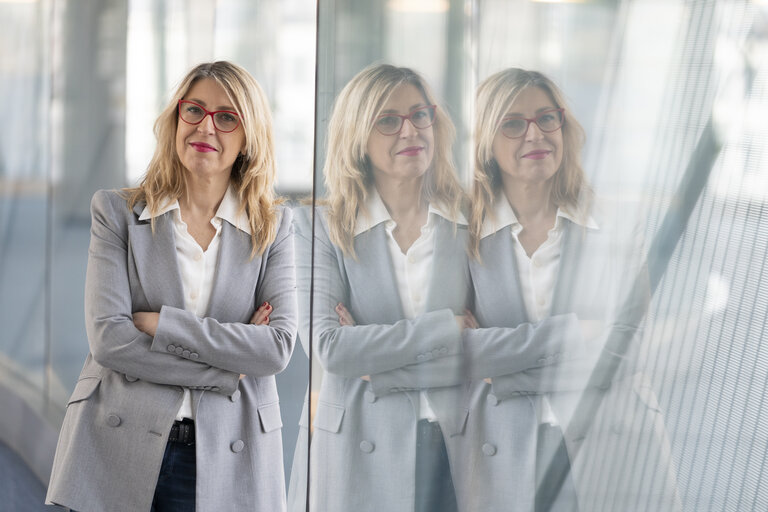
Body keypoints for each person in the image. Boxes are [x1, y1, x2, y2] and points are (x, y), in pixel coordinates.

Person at [45, 61, 297, 512]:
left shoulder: (274, 227)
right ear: (176, 118)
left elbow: (275, 349)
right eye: (194, 109)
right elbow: (111, 341)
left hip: (228, 446)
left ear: (248, 137)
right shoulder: (116, 213)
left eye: (226, 117)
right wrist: (226, 370)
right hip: (118, 439)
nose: (206, 127)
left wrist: (165, 326)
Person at [457, 68, 680, 511]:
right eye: (514, 123)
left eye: (547, 118)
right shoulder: (460, 235)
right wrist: (579, 335)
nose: (535, 134)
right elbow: (455, 354)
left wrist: (500, 359)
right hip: (499, 452)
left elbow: (626, 347)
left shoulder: (614, 226)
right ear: (486, 142)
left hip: (614, 445)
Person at [287, 63, 471, 512]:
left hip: (460, 444)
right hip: (356, 446)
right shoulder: (317, 226)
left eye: (420, 115)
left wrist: (375, 360)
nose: (410, 130)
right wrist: (446, 331)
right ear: (358, 139)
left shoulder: (473, 221)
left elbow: (491, 347)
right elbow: (331, 348)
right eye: (388, 121)